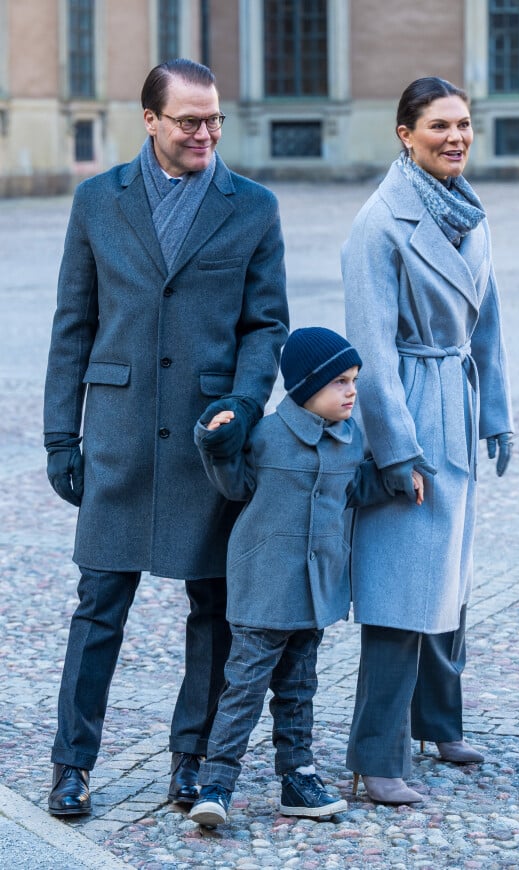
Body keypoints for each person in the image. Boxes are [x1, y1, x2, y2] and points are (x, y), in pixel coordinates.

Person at [43, 58, 289, 816]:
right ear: (149, 120)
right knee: (98, 609)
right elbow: (73, 324)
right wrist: (61, 434)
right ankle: (71, 766)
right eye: (190, 121)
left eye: (214, 119)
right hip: (117, 433)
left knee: (211, 608)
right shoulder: (97, 201)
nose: (206, 133)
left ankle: (193, 759)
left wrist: (245, 408)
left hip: (205, 441)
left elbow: (265, 325)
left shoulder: (252, 206)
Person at [341, 76, 514, 805]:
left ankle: (438, 720)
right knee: (402, 585)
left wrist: (496, 413)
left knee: (451, 576)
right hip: (410, 404)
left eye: (464, 124)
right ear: (404, 135)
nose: (456, 137)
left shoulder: (468, 213)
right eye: (439, 126)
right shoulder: (379, 224)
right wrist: (397, 451)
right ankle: (374, 758)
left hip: (457, 397)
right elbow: (372, 352)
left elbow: (488, 326)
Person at [188, 327, 424, 828]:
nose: (352, 391)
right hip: (263, 588)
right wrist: (213, 441)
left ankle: (298, 777)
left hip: (316, 592)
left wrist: (398, 478)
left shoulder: (349, 439)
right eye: (340, 380)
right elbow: (234, 485)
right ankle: (217, 784)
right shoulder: (267, 435)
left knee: (298, 688)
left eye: (354, 379)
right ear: (306, 386)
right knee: (244, 688)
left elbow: (355, 488)